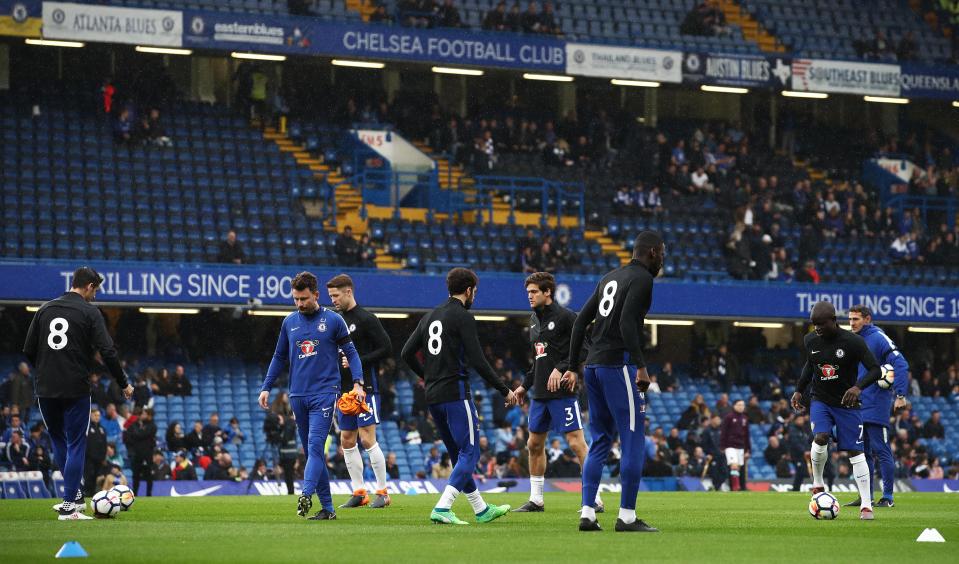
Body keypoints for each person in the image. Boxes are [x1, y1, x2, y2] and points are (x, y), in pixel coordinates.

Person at [565, 231, 664, 533]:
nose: (663, 258)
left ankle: (587, 513)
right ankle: (627, 517)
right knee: (633, 437)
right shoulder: (643, 279)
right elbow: (625, 323)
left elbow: (580, 321)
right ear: (651, 252)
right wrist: (641, 366)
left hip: (593, 367)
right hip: (618, 365)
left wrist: (572, 366)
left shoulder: (610, 277)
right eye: (662, 253)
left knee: (600, 441)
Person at [401, 267, 517, 525]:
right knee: (471, 453)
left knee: (457, 454)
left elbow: (406, 353)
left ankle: (481, 509)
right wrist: (503, 389)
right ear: (468, 290)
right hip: (455, 393)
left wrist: (428, 376)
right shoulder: (463, 317)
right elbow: (478, 360)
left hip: (433, 396)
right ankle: (443, 507)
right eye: (474, 291)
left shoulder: (429, 316)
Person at [22, 266, 133, 520]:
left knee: (59, 440)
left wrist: (48, 368)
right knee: (75, 442)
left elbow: (28, 349)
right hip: (75, 387)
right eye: (96, 290)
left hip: (46, 386)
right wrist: (123, 382)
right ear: (90, 286)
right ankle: (69, 506)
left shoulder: (45, 309)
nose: (96, 296)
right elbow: (108, 351)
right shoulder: (90, 312)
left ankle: (75, 498)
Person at [258, 271, 363, 521]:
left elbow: (352, 352)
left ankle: (305, 493)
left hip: (325, 394)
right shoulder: (289, 322)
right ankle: (327, 509)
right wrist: (266, 387)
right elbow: (278, 357)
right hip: (298, 395)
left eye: (304, 298)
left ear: (316, 295)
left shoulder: (334, 320)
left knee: (316, 447)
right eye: (295, 299)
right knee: (311, 452)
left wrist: (358, 383)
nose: (299, 304)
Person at [512, 272, 603, 513]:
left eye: (534, 292)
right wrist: (524, 385)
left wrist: (562, 368)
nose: (529, 296)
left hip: (562, 392)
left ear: (547, 292)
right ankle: (536, 499)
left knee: (576, 444)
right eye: (528, 292)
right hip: (539, 395)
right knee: (533, 444)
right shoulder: (533, 321)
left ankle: (595, 498)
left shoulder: (566, 317)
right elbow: (539, 360)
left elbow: (584, 349)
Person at [790, 301, 882, 521]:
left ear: (833, 320)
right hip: (820, 399)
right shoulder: (810, 339)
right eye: (814, 324)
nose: (817, 328)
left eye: (821, 324)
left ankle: (866, 506)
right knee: (820, 437)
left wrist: (857, 387)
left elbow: (876, 370)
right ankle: (818, 484)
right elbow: (810, 365)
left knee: (855, 452)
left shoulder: (853, 342)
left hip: (847, 404)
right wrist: (798, 390)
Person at [327, 274, 394, 509]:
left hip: (365, 389)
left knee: (367, 438)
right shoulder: (334, 320)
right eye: (330, 296)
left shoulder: (366, 319)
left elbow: (387, 348)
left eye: (336, 295)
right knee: (346, 440)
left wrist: (359, 361)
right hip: (343, 391)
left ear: (348, 292)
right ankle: (359, 492)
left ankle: (383, 492)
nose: (333, 300)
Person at [846, 305, 909, 508]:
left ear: (867, 319)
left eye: (856, 319)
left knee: (880, 450)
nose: (852, 323)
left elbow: (900, 363)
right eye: (850, 319)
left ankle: (888, 497)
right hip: (857, 404)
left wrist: (900, 394)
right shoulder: (853, 340)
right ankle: (866, 497)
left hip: (876, 403)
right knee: (860, 453)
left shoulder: (878, 337)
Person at [719, 399, 750, 491]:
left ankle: (737, 487)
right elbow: (724, 432)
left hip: (741, 446)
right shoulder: (729, 417)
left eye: (743, 405)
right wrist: (722, 445)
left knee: (738, 468)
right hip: (730, 446)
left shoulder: (745, 418)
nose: (741, 407)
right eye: (739, 405)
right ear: (734, 406)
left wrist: (748, 449)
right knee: (734, 466)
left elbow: (747, 435)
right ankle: (735, 487)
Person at [126, 408, 157, 497]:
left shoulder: (152, 426)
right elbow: (130, 435)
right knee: (136, 475)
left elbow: (141, 434)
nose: (142, 416)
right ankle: (134, 494)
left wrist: (137, 434)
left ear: (149, 415)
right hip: (137, 454)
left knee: (149, 476)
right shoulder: (136, 424)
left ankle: (149, 494)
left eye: (144, 414)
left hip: (147, 455)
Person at [84, 407, 108, 497]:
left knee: (96, 477)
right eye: (95, 415)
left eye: (98, 415)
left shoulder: (102, 429)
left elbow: (105, 444)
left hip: (99, 459)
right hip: (89, 458)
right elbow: (87, 444)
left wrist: (104, 456)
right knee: (88, 476)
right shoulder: (87, 428)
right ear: (90, 416)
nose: (97, 417)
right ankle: (87, 494)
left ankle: (93, 495)